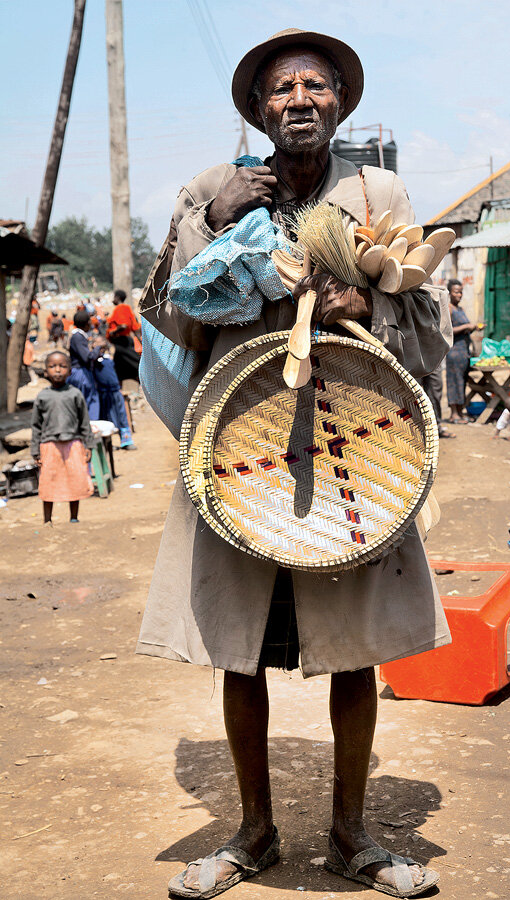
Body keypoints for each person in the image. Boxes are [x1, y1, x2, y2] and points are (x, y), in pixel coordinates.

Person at [138, 28, 451, 900]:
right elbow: (166, 310)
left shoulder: (377, 191)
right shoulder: (213, 187)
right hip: (239, 453)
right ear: (258, 109)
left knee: (354, 650)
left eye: (317, 85)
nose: (301, 99)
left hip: (358, 453)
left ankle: (353, 835)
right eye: (282, 89)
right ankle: (254, 831)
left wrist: (366, 304)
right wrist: (217, 219)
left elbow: (428, 329)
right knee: (240, 651)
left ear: (340, 104)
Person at [30, 351, 94, 525]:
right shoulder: (43, 396)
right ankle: (47, 520)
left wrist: (89, 445)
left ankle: (74, 517)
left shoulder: (75, 394)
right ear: (45, 371)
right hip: (49, 446)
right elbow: (36, 426)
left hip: (73, 444)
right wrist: (35, 451)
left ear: (70, 370)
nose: (57, 370)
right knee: (48, 481)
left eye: (62, 366)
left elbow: (84, 422)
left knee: (75, 480)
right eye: (52, 366)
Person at [444, 279, 483, 423]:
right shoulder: (449, 308)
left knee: (462, 382)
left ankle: (460, 412)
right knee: (454, 382)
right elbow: (447, 330)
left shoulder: (460, 309)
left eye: (461, 292)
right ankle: (454, 414)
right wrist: (467, 326)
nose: (459, 294)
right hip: (454, 351)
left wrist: (473, 327)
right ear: (449, 293)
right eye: (456, 292)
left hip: (464, 351)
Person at [92, 337, 136, 450]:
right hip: (103, 393)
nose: (101, 344)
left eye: (102, 342)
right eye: (97, 342)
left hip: (115, 391)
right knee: (107, 417)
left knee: (121, 416)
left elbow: (118, 372)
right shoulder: (94, 360)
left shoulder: (110, 358)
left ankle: (126, 441)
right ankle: (108, 444)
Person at [66, 309, 103, 418]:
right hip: (81, 374)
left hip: (81, 372)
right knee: (88, 401)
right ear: (87, 324)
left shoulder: (79, 336)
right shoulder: (78, 337)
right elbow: (87, 357)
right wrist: (98, 348)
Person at [107, 289, 141, 384]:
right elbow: (135, 328)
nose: (112, 300)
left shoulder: (120, 308)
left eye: (113, 297)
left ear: (117, 298)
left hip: (121, 342)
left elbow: (123, 325)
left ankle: (147, 380)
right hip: (125, 341)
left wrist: (113, 332)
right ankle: (120, 390)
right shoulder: (128, 308)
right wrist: (141, 342)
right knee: (119, 367)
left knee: (135, 363)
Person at [421, 364, 455, 438]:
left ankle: (435, 428)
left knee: (435, 393)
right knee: (411, 391)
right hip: (411, 357)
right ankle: (414, 430)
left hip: (433, 358)